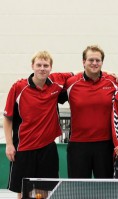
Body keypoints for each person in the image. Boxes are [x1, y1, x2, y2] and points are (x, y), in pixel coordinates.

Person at [3, 51, 73, 199]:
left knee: (46, 191)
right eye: (39, 65)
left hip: (48, 148)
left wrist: (108, 73)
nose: (42, 68)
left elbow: (83, 72)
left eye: (46, 65)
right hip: (24, 148)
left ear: (51, 67)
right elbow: (8, 118)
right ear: (32, 66)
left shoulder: (56, 82)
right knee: (23, 191)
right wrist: (9, 144)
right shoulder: (18, 87)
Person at [60, 45, 118, 178]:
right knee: (78, 190)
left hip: (105, 145)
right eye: (91, 60)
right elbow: (50, 94)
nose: (94, 63)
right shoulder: (71, 83)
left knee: (105, 190)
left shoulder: (113, 82)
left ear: (102, 62)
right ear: (83, 62)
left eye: (98, 60)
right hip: (78, 145)